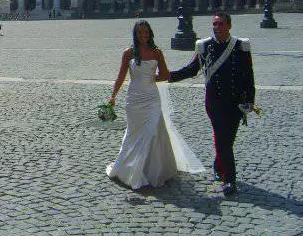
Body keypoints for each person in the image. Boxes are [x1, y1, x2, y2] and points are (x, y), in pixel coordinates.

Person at [106, 20, 204, 189]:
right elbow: (121, 76)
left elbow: (165, 74)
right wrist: (113, 96)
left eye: (146, 32)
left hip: (151, 98)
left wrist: (151, 78)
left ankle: (153, 169)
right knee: (134, 134)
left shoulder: (157, 53)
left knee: (153, 131)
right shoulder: (128, 53)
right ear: (135, 35)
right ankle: (132, 166)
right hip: (134, 99)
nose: (143, 35)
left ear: (150, 34)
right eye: (139, 33)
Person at [167, 12, 255, 197]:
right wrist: (169, 76)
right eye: (214, 24)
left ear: (229, 26)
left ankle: (218, 164)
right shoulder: (205, 46)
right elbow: (192, 70)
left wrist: (250, 100)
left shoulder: (241, 46)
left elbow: (248, 75)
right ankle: (229, 179)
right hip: (214, 101)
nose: (217, 27)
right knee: (223, 139)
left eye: (220, 24)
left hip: (236, 101)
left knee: (228, 139)